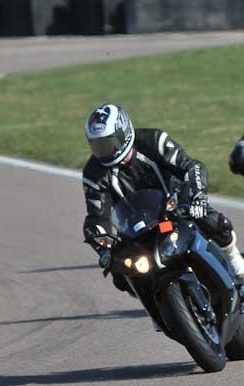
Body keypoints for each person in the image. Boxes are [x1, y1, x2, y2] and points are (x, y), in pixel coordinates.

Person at [82, 103, 244, 288]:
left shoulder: (153, 140)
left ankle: (235, 261)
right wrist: (104, 249)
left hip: (174, 205)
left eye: (108, 143)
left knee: (212, 221)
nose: (104, 151)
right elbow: (96, 216)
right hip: (134, 226)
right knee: (121, 276)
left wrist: (198, 195)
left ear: (123, 132)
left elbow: (192, 167)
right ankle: (156, 307)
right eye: (98, 146)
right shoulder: (93, 174)